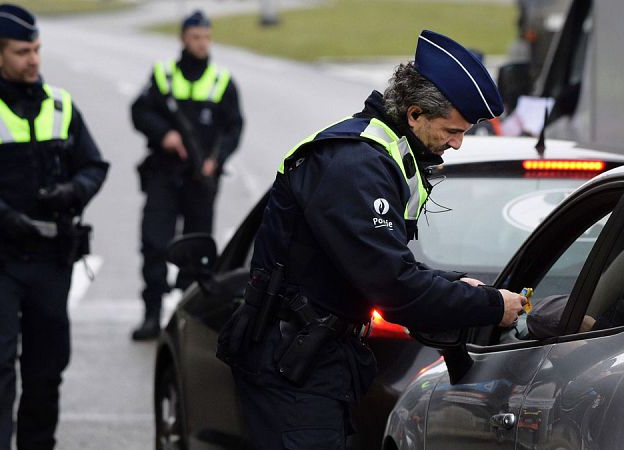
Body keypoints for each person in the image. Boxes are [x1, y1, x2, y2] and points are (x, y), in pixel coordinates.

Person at [216, 30, 526, 449]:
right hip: (293, 366)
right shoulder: (355, 165)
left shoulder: (386, 154)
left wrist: (454, 285)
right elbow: (390, 283)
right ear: (415, 114)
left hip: (316, 361)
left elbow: (386, 262)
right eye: (452, 130)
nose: (457, 142)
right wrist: (490, 306)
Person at [0, 4, 109, 449]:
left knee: (45, 372)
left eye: (36, 49)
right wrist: (6, 218)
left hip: (51, 262)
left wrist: (72, 192)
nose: (33, 60)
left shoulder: (61, 104)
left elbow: (95, 165)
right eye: (22, 52)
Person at [130, 9, 244, 340]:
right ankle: (151, 314)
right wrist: (164, 134)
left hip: (201, 180)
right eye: (195, 37)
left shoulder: (222, 81)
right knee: (154, 243)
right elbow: (139, 111)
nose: (201, 44)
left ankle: (187, 319)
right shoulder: (163, 76)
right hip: (164, 175)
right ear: (183, 38)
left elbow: (234, 127)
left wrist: (217, 159)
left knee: (197, 252)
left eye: (206, 37)